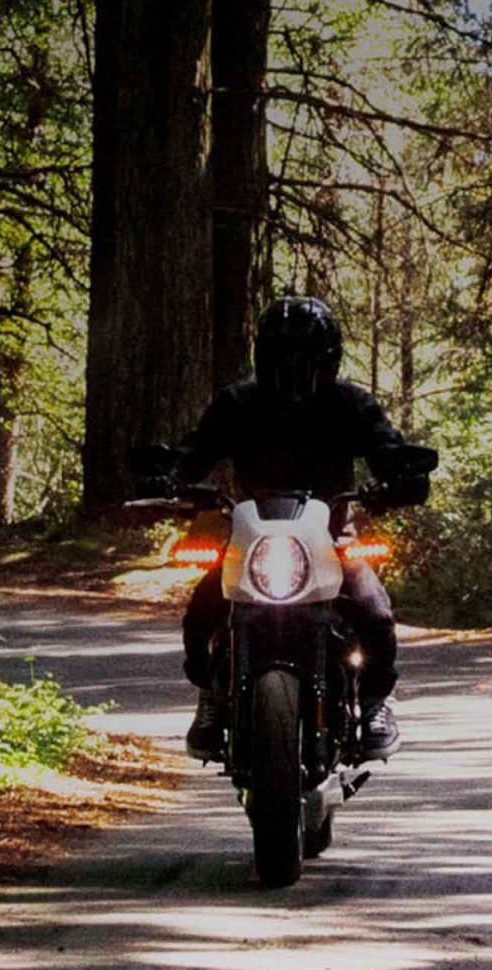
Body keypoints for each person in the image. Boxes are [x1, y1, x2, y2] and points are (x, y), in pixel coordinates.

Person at [169, 296, 415, 763]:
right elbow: (195, 453)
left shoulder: (350, 404)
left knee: (374, 611)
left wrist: (401, 477)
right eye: (283, 354)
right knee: (203, 610)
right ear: (264, 354)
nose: (293, 366)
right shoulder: (238, 403)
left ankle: (375, 702)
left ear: (328, 357)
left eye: (305, 355)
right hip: (251, 537)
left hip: (332, 537)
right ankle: (212, 695)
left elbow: (386, 449)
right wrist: (169, 476)